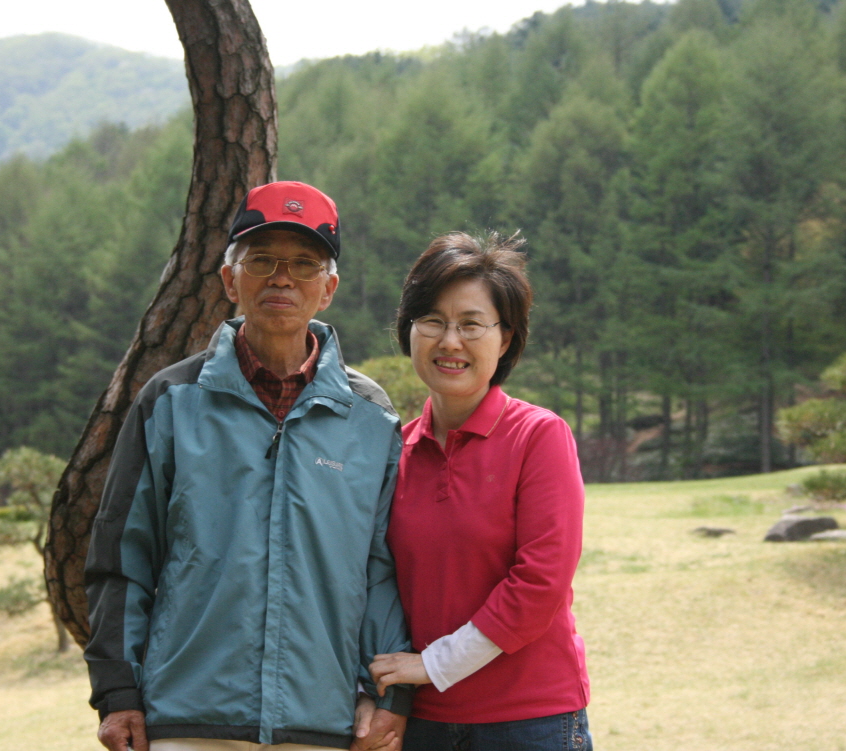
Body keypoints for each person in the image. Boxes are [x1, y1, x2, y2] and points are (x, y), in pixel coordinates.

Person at [84, 181, 412, 751]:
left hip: (322, 724)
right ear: (230, 280)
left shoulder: (371, 417)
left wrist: (388, 695)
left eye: (304, 264)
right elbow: (122, 559)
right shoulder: (170, 400)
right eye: (261, 260)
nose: (282, 279)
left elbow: (382, 571)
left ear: (328, 289)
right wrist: (118, 692)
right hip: (186, 720)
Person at [369, 232, 592, 751]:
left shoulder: (539, 436)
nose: (450, 341)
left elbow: (540, 582)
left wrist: (435, 665)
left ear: (506, 338)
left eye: (471, 324)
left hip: (530, 719)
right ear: (409, 330)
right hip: (422, 720)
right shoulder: (394, 451)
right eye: (432, 321)